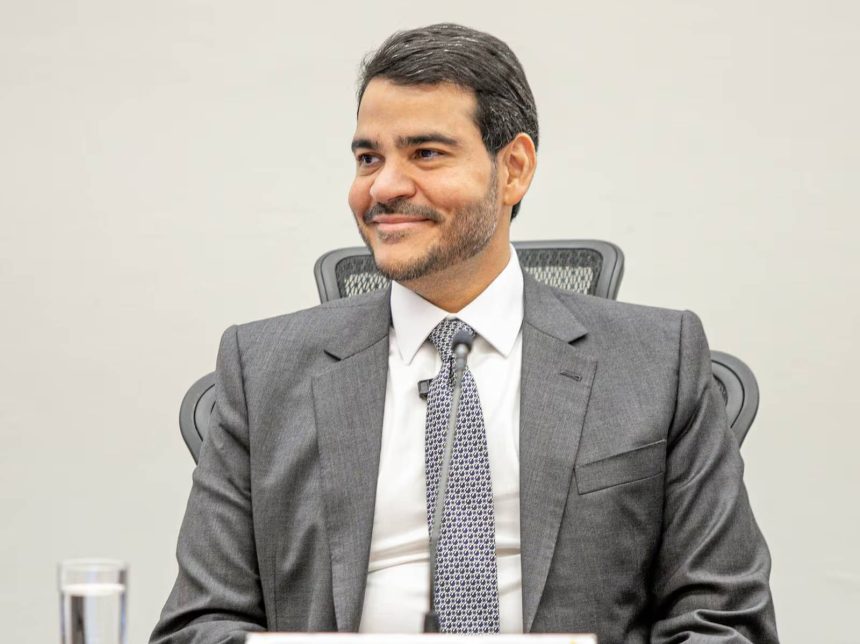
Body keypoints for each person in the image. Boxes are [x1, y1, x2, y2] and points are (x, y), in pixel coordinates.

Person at [151, 23, 778, 644]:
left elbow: (725, 621)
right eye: (369, 158)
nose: (384, 186)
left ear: (514, 170)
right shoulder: (261, 370)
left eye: (426, 153)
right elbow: (197, 626)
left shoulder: (657, 361)